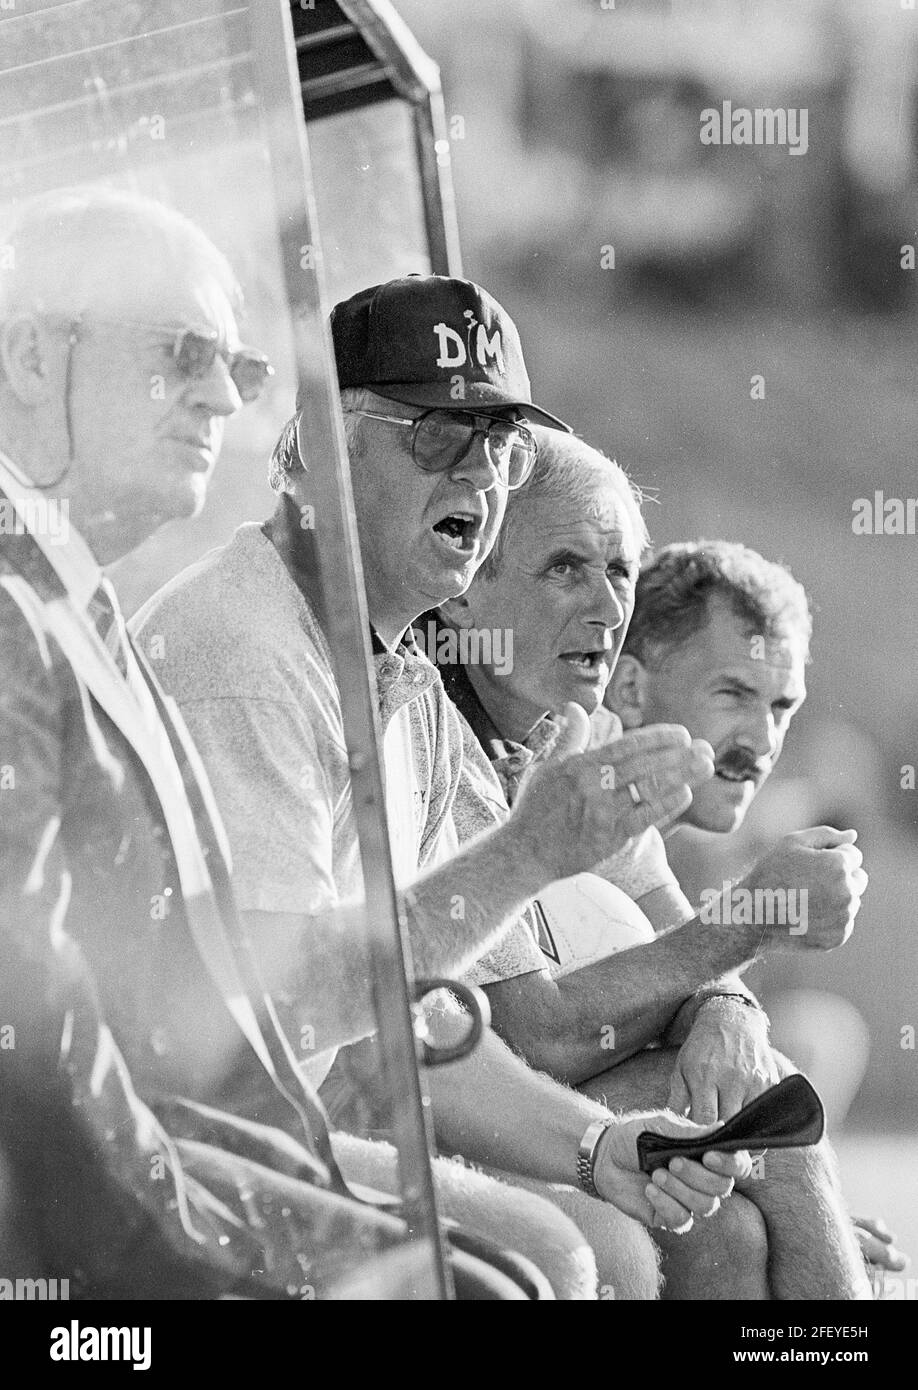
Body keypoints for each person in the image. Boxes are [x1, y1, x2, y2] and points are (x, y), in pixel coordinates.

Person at [135, 274, 752, 1300]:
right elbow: (284, 1015)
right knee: (554, 1258)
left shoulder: (402, 668)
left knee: (639, 1221)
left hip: (287, 1119)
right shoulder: (250, 655)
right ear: (323, 449)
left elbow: (410, 1022)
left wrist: (601, 1146)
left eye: (499, 448)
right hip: (184, 1136)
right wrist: (533, 852)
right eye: (436, 436)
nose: (476, 473)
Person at [0, 187, 516, 1300]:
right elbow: (35, 1039)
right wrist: (232, 1253)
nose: (215, 400)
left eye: (235, 371)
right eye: (181, 354)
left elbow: (208, 1010)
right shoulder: (22, 620)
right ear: (33, 357)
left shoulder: (74, 607)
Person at [428, 432, 872, 1300]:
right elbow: (534, 1035)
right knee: (768, 1116)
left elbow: (691, 944)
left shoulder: (573, 740)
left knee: (733, 1231)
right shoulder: (435, 743)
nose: (604, 605)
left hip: (568, 1113)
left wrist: (731, 1011)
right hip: (443, 1119)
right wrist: (756, 918)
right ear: (468, 588)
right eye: (567, 568)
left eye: (622, 572)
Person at [604, 538, 909, 1278]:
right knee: (773, 1102)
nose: (762, 741)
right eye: (733, 695)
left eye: (782, 706)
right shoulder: (587, 804)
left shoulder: (697, 834)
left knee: (754, 1232)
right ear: (633, 688)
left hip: (654, 1131)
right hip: (526, 1127)